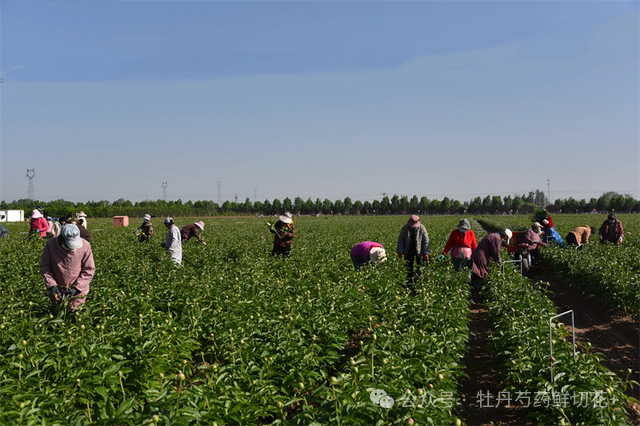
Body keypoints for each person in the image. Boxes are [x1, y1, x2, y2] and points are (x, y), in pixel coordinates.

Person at [40, 224, 95, 314]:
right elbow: (45, 267)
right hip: (57, 289)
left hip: (78, 290)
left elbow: (89, 270)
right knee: (58, 314)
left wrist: (76, 288)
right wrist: (52, 285)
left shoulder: (85, 245)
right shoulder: (51, 245)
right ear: (61, 239)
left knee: (75, 315)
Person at [470, 229, 512, 302]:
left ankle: (475, 296)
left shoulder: (494, 235)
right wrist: (498, 261)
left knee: (478, 275)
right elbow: (496, 251)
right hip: (481, 257)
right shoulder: (496, 238)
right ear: (504, 235)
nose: (505, 239)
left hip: (480, 256)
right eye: (506, 238)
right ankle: (477, 297)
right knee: (481, 276)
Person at [397, 215, 430, 286]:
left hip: (419, 250)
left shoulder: (422, 228)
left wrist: (426, 252)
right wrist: (400, 251)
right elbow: (401, 239)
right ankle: (409, 281)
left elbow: (425, 240)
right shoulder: (405, 228)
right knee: (408, 266)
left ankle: (419, 281)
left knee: (420, 266)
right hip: (408, 249)